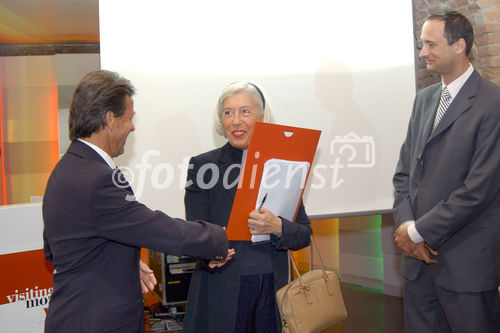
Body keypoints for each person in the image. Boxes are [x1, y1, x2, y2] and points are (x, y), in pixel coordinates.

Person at [42, 70, 229, 332]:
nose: (132, 126)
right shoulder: (98, 179)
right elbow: (152, 227)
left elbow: (57, 249)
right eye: (129, 118)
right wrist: (217, 238)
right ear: (110, 119)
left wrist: (124, 264)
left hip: (72, 316)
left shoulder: (64, 170)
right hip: (98, 322)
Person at [392, 9, 500, 333]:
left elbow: (478, 189)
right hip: (417, 267)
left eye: (430, 44)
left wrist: (417, 233)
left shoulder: (492, 103)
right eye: (421, 45)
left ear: (459, 46)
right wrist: (408, 228)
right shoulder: (424, 100)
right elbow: (404, 176)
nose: (423, 52)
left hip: (465, 267)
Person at [182, 81, 312, 332]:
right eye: (228, 112)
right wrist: (210, 248)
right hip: (222, 289)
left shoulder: (283, 165)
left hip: (272, 289)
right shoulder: (202, 166)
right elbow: (194, 233)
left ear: (262, 117)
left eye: (245, 111)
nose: (235, 121)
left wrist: (277, 226)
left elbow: (303, 233)